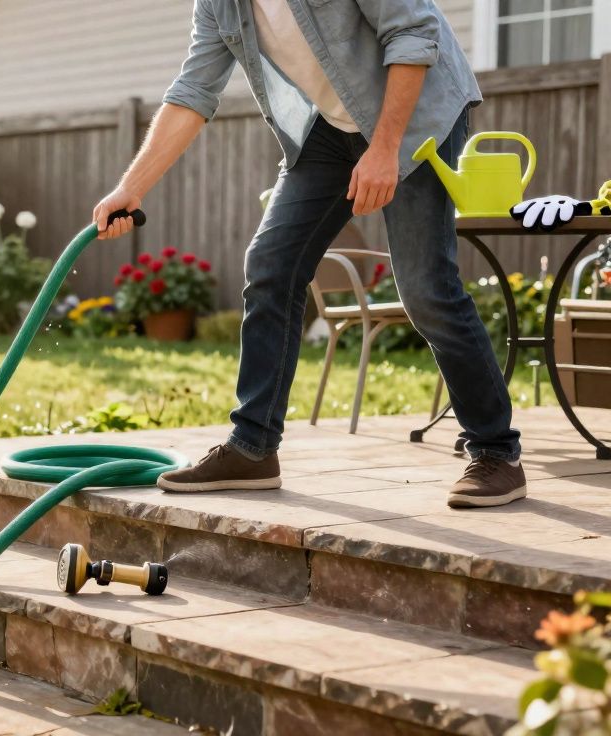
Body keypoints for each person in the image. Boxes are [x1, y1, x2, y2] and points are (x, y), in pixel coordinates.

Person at [92, 0, 523, 508]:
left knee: (426, 290)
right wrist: (131, 187)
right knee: (272, 264)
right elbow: (194, 90)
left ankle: (496, 452)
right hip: (330, 129)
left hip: (416, 116)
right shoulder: (217, 4)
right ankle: (252, 447)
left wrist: (384, 148)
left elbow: (414, 33)